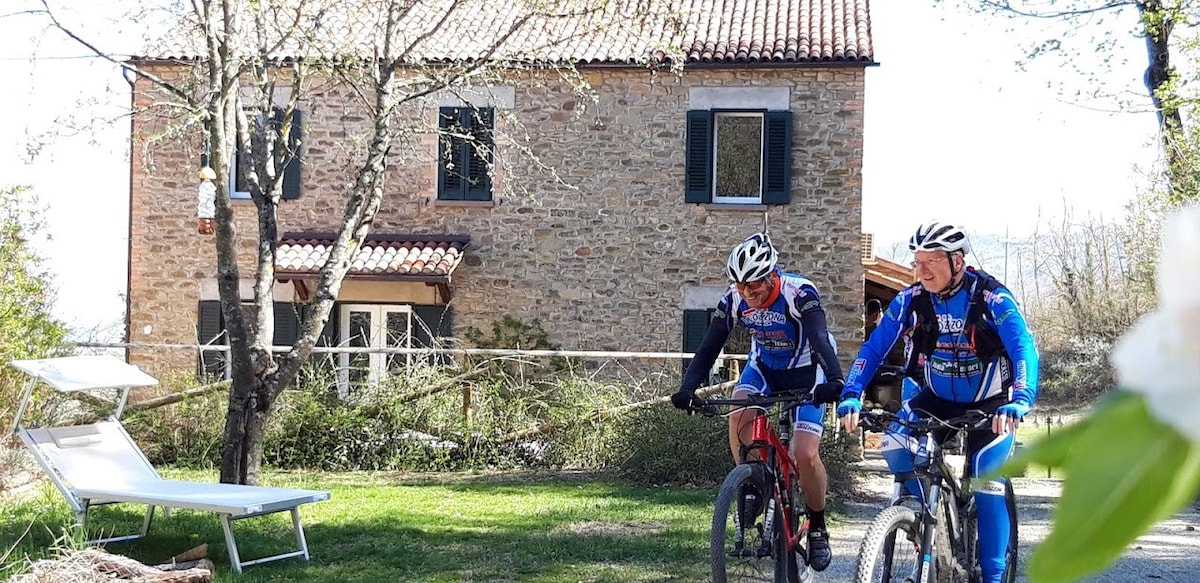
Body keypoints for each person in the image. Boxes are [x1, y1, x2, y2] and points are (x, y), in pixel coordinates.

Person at [834, 221, 1039, 583]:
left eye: (931, 261)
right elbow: (875, 347)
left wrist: (1020, 399)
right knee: (895, 445)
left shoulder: (991, 297)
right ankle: (926, 524)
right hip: (936, 398)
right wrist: (852, 393)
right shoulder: (912, 299)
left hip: (991, 402)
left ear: (957, 262)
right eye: (917, 262)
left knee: (987, 483)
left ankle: (992, 575)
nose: (921, 270)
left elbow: (1022, 346)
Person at [671, 232, 845, 572]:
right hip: (764, 368)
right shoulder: (735, 298)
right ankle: (750, 484)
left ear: (771, 276)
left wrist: (836, 380)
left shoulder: (800, 293)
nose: (748, 295)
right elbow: (709, 346)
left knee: (806, 451)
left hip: (810, 372)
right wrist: (688, 387)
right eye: (741, 287)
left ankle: (818, 526)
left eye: (754, 287)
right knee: (738, 410)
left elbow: (820, 337)